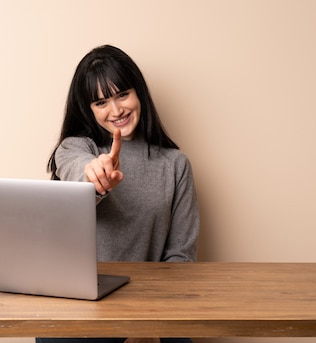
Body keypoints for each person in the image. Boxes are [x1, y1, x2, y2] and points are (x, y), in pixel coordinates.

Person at [38, 45, 200, 343]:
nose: (116, 111)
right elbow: (77, 171)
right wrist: (96, 175)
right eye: (101, 102)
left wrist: (148, 324)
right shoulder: (75, 149)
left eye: (122, 94)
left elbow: (180, 257)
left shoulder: (176, 165)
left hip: (149, 305)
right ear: (89, 109)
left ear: (138, 93)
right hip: (78, 305)